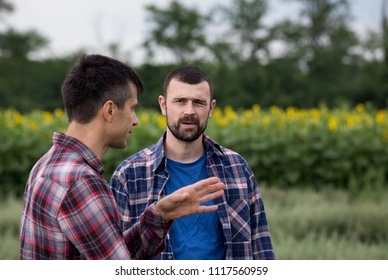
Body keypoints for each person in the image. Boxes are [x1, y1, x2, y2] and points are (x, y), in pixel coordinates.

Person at [19, 55, 224, 260]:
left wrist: (159, 215)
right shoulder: (82, 182)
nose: (135, 121)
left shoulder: (46, 164)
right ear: (109, 110)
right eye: (132, 108)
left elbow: (109, 252)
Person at [110, 66, 275, 260]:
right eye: (180, 101)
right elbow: (116, 259)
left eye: (198, 102)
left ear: (211, 108)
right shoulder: (129, 175)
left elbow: (261, 246)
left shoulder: (237, 168)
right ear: (163, 105)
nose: (189, 111)